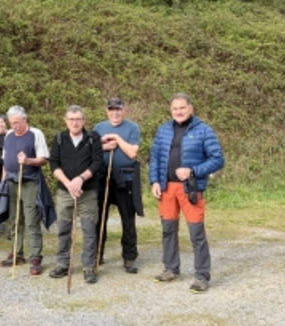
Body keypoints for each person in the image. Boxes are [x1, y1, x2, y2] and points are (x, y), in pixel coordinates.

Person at [149, 93, 224, 293]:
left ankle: (202, 276)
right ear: (170, 110)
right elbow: (155, 157)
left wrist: (192, 171)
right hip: (166, 188)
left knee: (196, 232)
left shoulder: (204, 130)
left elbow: (217, 159)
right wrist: (154, 180)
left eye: (182, 108)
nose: (179, 112)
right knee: (168, 230)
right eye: (175, 108)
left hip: (190, 189)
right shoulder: (163, 130)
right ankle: (170, 269)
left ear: (190, 108)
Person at [49, 105, 103, 284]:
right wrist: (69, 184)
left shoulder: (93, 138)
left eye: (78, 119)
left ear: (84, 120)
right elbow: (54, 164)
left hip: (88, 191)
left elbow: (97, 163)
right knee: (63, 229)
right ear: (66, 121)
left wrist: (80, 179)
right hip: (65, 192)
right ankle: (62, 264)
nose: (75, 122)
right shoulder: (59, 139)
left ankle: (89, 267)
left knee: (89, 229)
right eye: (71, 119)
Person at [0, 106, 51, 275]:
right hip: (12, 181)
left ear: (25, 119)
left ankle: (35, 257)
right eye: (12, 123)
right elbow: (5, 160)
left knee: (31, 220)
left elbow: (44, 159)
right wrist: (3, 180)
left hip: (30, 182)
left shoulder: (36, 134)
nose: (15, 126)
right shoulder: (8, 135)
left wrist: (28, 161)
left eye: (17, 122)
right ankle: (17, 253)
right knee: (15, 219)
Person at [94, 97, 142, 273]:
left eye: (118, 109)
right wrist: (104, 146)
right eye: (111, 109)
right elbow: (90, 151)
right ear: (107, 111)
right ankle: (97, 254)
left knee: (128, 219)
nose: (115, 113)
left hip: (125, 178)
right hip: (102, 177)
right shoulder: (98, 128)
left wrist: (116, 138)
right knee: (99, 219)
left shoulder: (132, 128)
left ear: (124, 110)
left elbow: (132, 153)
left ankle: (129, 257)